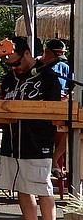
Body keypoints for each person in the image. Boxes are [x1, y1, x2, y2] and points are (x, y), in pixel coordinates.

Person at [0, 37, 61, 220]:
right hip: (13, 143)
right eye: (10, 64)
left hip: (38, 141)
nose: (13, 67)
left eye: (16, 63)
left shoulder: (48, 77)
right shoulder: (9, 79)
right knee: (21, 185)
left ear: (27, 53)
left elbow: (54, 111)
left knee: (43, 187)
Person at [41, 38, 70, 178]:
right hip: (41, 109)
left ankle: (56, 160)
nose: (59, 58)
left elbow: (69, 88)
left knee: (71, 128)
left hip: (60, 108)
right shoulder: (37, 67)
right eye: (57, 54)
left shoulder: (64, 67)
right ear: (47, 52)